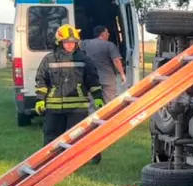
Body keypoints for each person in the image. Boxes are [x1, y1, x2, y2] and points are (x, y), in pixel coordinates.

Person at [35, 25, 104, 162]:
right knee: (51, 135)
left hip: (76, 107)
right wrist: (40, 99)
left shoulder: (84, 59)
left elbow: (93, 79)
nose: (70, 45)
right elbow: (41, 79)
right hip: (54, 107)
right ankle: (49, 162)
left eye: (73, 42)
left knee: (78, 135)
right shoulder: (49, 59)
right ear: (59, 42)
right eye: (67, 42)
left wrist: (98, 97)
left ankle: (80, 160)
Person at [81, 26, 126, 103]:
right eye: (107, 32)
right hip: (107, 80)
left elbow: (78, 43)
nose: (108, 34)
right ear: (103, 34)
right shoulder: (110, 45)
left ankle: (94, 115)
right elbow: (116, 61)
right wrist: (122, 74)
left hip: (93, 80)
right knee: (108, 103)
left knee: (94, 102)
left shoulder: (86, 43)